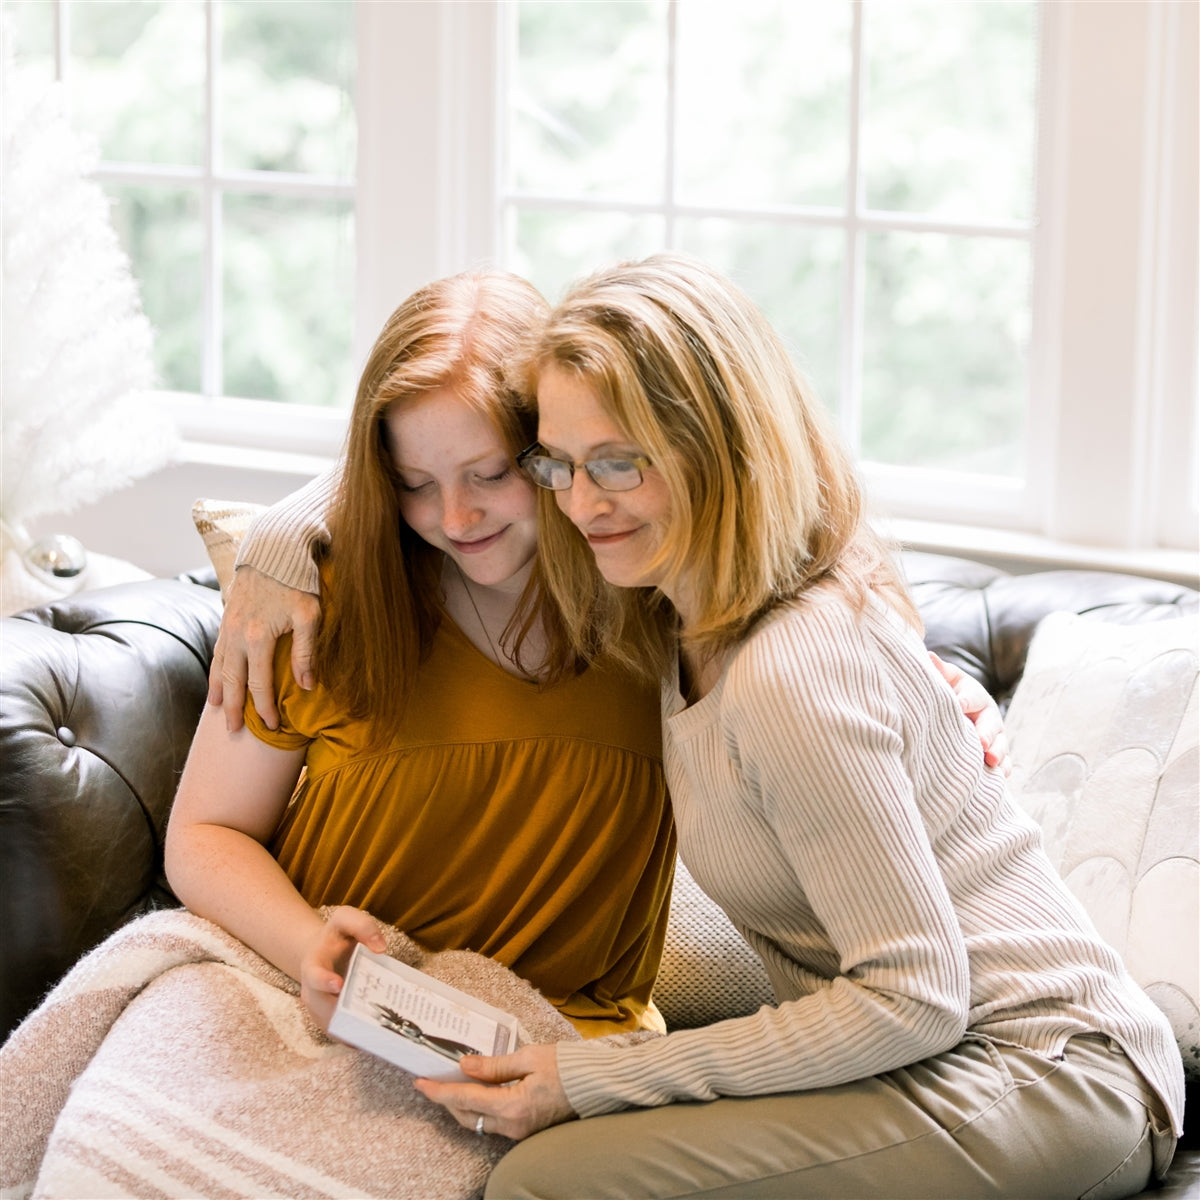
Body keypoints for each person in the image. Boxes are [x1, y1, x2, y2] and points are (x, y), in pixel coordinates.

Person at [411, 253, 1185, 1200]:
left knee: (546, 1183)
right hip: (934, 1060)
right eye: (558, 464)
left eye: (620, 461)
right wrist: (284, 546)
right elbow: (423, 482)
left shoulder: (792, 669)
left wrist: (595, 1080)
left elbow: (912, 996)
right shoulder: (667, 615)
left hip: (1047, 1071)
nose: (580, 502)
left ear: (720, 447)